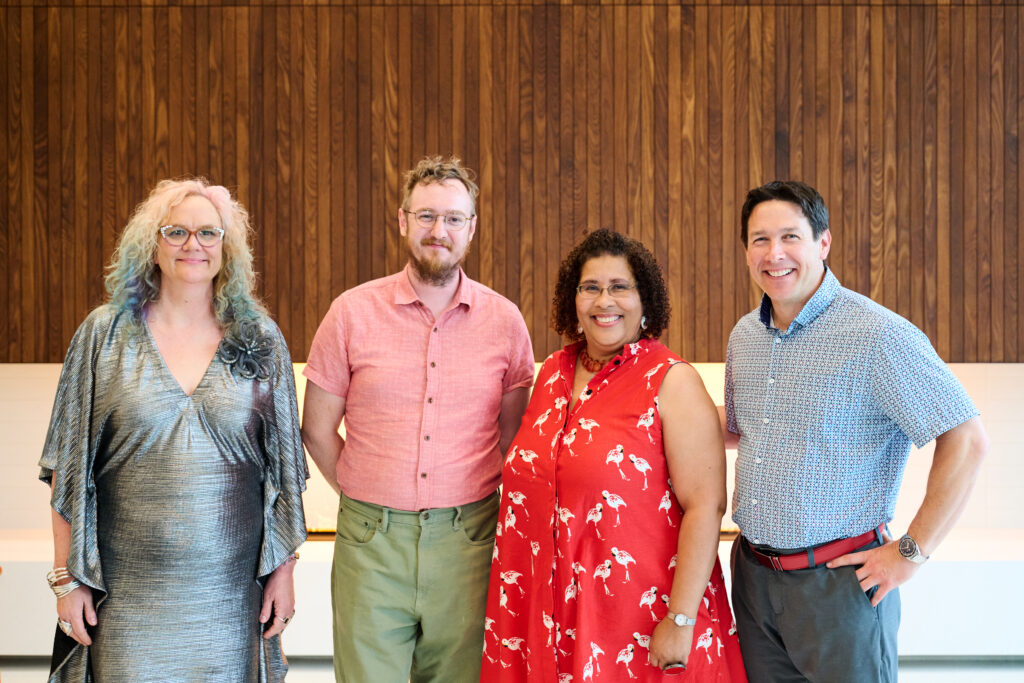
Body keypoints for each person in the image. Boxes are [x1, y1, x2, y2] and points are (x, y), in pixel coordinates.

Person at [39, 178, 309, 682]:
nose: (193, 245)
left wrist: (284, 571)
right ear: (152, 245)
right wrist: (65, 579)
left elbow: (285, 473)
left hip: (228, 603)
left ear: (226, 248)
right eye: (176, 232)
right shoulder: (103, 336)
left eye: (209, 233)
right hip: (125, 603)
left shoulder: (261, 339)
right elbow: (67, 468)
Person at [722, 180, 989, 682]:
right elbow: (740, 427)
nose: (774, 253)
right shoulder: (746, 335)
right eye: (759, 239)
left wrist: (911, 551)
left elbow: (968, 438)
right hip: (753, 580)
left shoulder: (878, 335)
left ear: (823, 243)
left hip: (839, 585)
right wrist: (637, 413)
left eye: (790, 237)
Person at [301, 155, 535, 682]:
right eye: (426, 216)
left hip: (469, 542)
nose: (439, 231)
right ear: (403, 220)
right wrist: (369, 494)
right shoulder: (351, 313)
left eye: (453, 218)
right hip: (370, 543)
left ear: (471, 228)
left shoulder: (504, 322)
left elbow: (513, 436)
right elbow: (315, 428)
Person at [482, 228, 747, 681]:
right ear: (574, 300)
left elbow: (706, 507)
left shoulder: (671, 380)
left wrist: (680, 620)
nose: (605, 300)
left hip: (637, 622)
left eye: (620, 287)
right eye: (591, 288)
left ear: (645, 303)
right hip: (540, 617)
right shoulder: (551, 375)